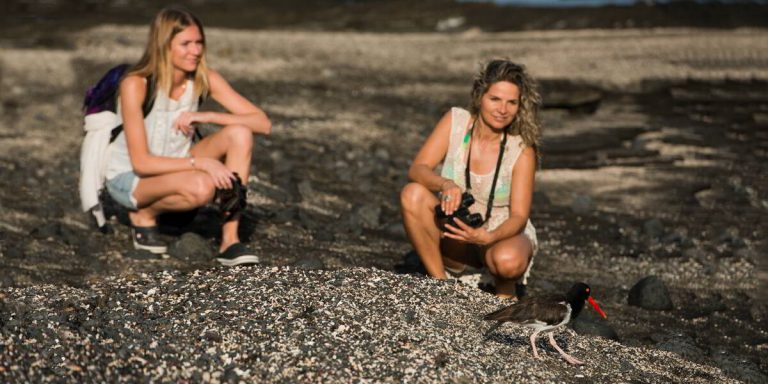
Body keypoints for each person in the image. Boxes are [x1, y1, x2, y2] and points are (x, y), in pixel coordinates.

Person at [104, 7, 271, 265]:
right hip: (131, 177)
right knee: (202, 186)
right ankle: (143, 213)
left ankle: (230, 241)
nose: (195, 51)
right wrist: (201, 163)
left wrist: (209, 117)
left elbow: (262, 123)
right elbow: (141, 163)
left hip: (178, 165)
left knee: (240, 133)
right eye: (185, 44)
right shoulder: (136, 84)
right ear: (163, 45)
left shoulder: (204, 78)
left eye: (199, 43)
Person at [400, 60, 541, 298]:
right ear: (479, 96)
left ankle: (504, 292)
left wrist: (489, 236)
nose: (502, 109)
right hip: (456, 232)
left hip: (500, 232)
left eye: (511, 102)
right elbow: (418, 169)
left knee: (508, 262)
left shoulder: (522, 149)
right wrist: (446, 184)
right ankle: (441, 285)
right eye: (495, 99)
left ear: (520, 106)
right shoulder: (456, 122)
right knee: (412, 193)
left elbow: (519, 216)